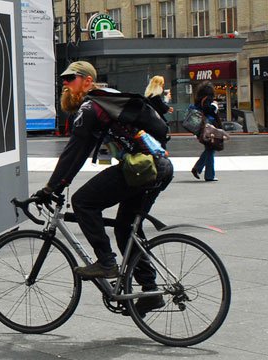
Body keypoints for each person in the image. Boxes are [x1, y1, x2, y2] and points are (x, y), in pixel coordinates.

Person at [34, 61, 173, 315]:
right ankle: (150, 289)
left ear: (87, 80)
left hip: (142, 168)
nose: (65, 83)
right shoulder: (104, 103)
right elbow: (80, 153)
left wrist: (50, 188)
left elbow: (73, 153)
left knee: (83, 202)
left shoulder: (90, 107)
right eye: (64, 80)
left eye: (71, 78)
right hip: (158, 166)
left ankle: (107, 262)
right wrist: (57, 184)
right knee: (125, 228)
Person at [191, 81, 219, 181]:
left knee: (209, 149)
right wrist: (215, 106)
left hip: (201, 128)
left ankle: (197, 168)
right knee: (211, 149)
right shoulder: (207, 99)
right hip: (208, 128)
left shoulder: (199, 100)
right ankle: (209, 175)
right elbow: (208, 110)